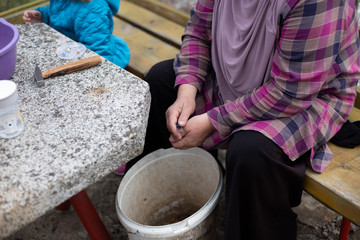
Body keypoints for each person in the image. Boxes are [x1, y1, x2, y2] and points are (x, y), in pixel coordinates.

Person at [124, 0, 360, 239]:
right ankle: (183, 202)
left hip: (309, 95)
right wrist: (187, 89)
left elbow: (290, 92)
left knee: (251, 152)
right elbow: (199, 29)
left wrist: (212, 121)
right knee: (161, 82)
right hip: (234, 74)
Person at [23, 0, 130, 68]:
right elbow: (62, 15)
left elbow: (98, 55)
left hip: (98, 55)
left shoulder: (92, 10)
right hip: (70, 50)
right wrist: (43, 17)